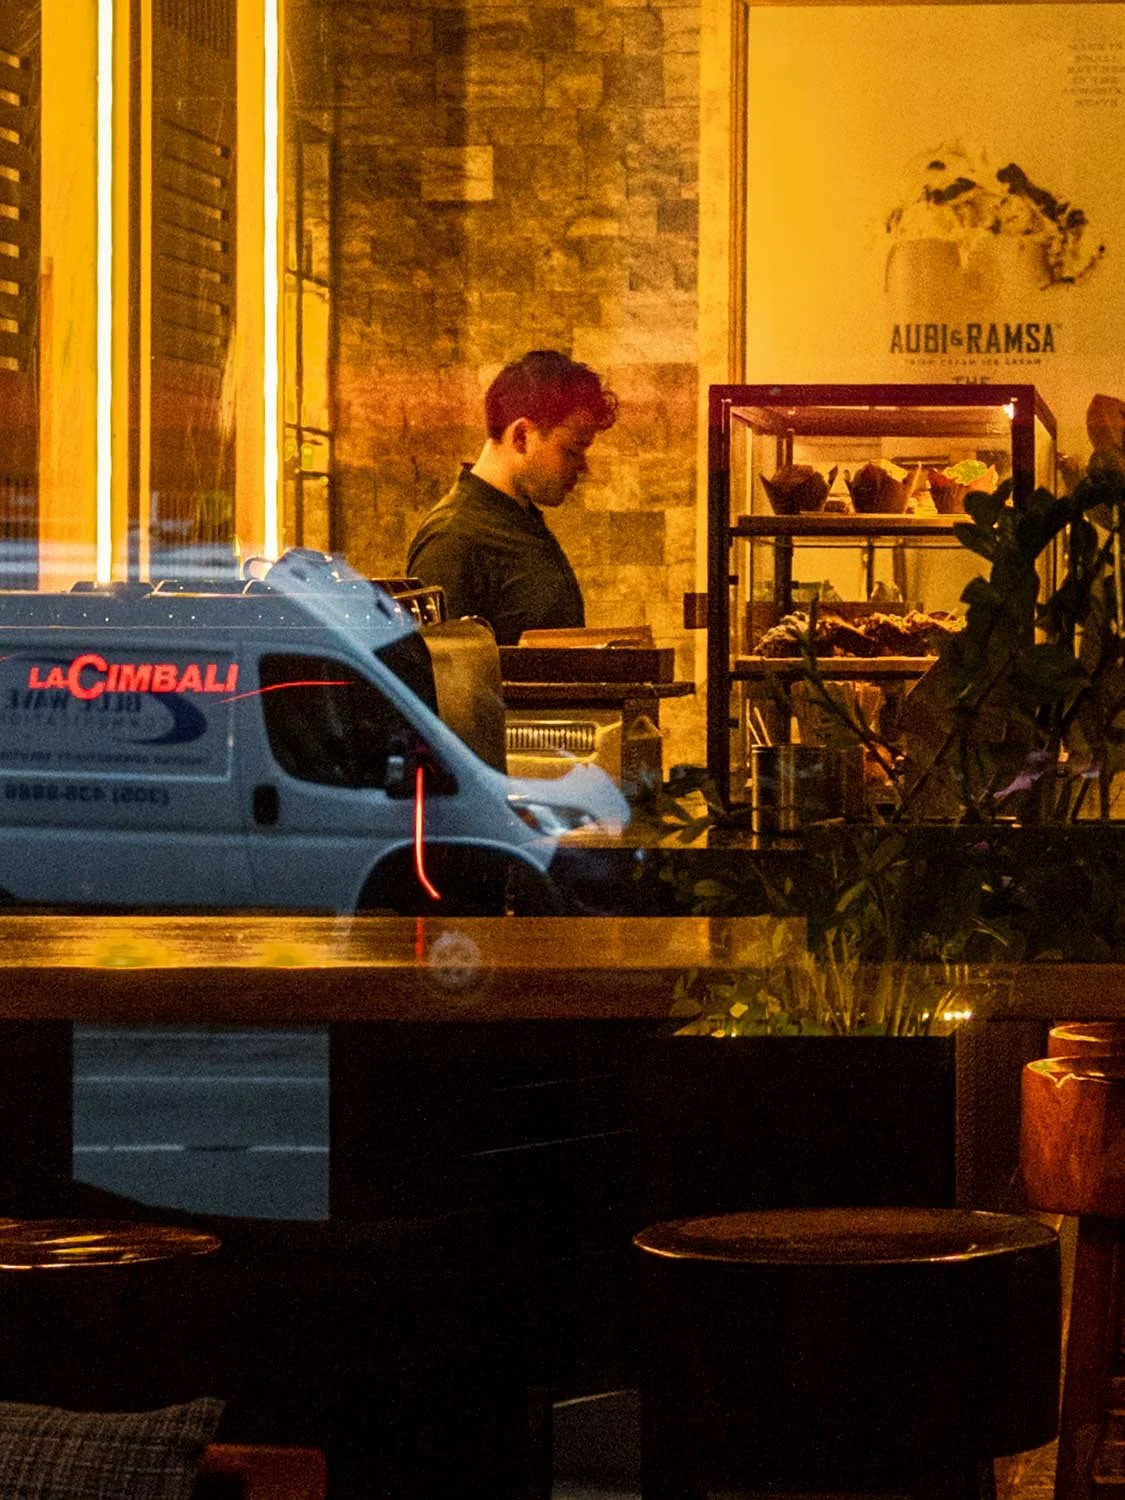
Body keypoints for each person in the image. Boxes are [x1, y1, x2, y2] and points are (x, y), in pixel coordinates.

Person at [406, 349, 618, 645]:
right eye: (571, 451)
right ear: (521, 436)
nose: (583, 467)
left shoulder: (518, 518)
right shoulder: (453, 538)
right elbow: (443, 679)